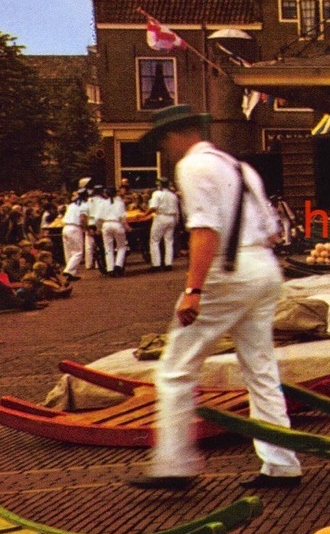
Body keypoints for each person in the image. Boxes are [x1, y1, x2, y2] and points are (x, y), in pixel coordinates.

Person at [127, 105, 302, 491]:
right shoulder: (240, 168)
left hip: (231, 272)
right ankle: (281, 463)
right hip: (264, 268)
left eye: (162, 142)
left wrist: (193, 291)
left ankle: (174, 464)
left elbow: (205, 231)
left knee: (175, 368)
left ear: (175, 136)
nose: (164, 150)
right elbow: (273, 231)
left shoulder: (191, 167)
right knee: (260, 369)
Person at [147, 178, 182, 270]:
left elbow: (153, 207)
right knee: (169, 241)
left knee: (154, 240)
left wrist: (144, 214)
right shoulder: (173, 195)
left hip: (161, 217)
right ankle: (168, 264)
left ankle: (156, 264)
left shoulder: (157, 194)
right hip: (172, 218)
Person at [94, 186, 129, 276]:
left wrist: (98, 228)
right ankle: (118, 265)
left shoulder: (102, 204)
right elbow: (123, 218)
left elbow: (98, 218)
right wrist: (127, 227)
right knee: (121, 246)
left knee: (108, 247)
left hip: (106, 225)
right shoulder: (120, 203)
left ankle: (110, 268)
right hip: (117, 224)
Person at [60, 191, 88, 279]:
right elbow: (83, 218)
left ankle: (71, 273)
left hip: (65, 227)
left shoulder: (71, 205)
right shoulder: (84, 205)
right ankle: (68, 270)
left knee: (68, 251)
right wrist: (85, 228)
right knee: (78, 252)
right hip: (75, 228)